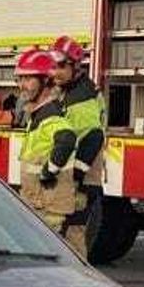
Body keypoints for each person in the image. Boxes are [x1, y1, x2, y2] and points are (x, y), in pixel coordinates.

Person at [13, 47, 81, 249]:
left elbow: (67, 138)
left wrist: (49, 171)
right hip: (38, 204)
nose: (22, 86)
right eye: (20, 79)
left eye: (28, 79)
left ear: (46, 82)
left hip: (47, 208)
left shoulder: (49, 115)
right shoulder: (38, 113)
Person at [50, 35, 107, 252]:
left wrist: (74, 179)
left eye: (62, 66)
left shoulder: (80, 98)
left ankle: (74, 280)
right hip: (79, 178)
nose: (56, 72)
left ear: (76, 66)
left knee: (72, 236)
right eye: (53, 66)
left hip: (80, 181)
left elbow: (92, 138)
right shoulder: (73, 91)